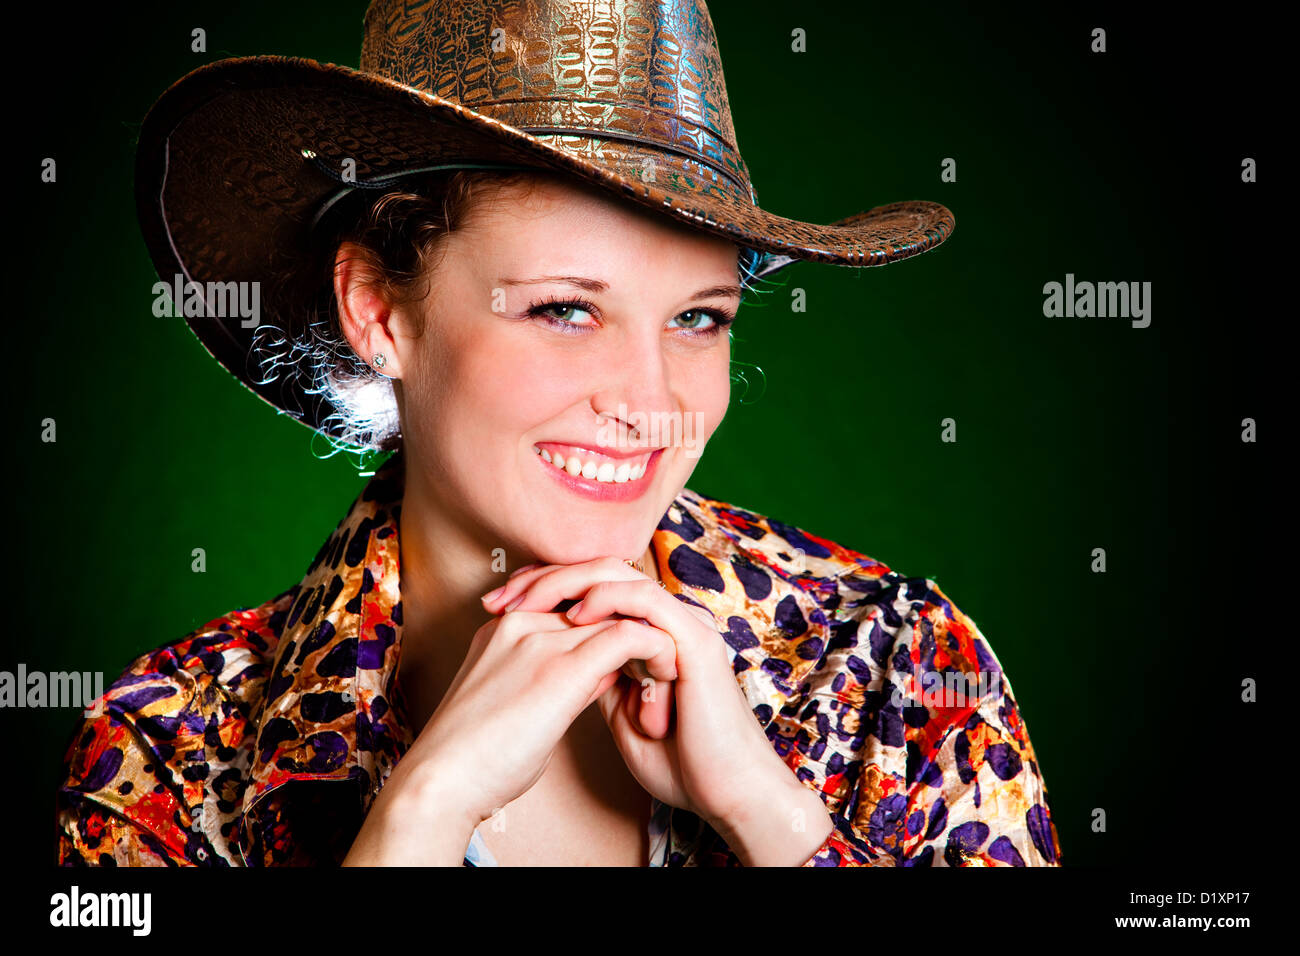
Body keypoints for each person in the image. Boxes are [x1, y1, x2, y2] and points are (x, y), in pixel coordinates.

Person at [55, 0, 1061, 867]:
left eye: (698, 317)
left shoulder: (891, 664)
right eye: (563, 310)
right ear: (377, 308)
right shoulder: (175, 744)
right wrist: (416, 817)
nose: (648, 397)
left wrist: (775, 819)